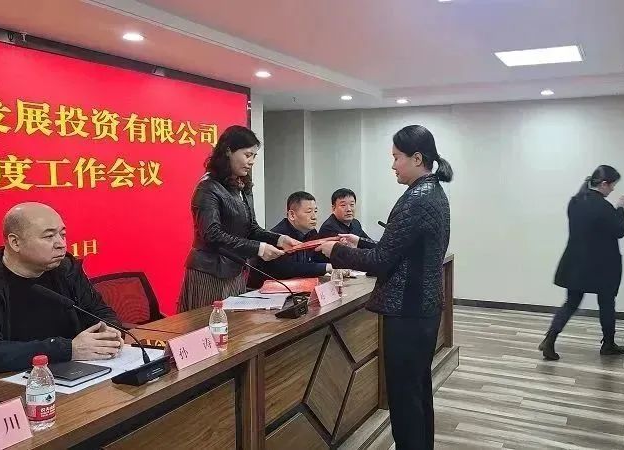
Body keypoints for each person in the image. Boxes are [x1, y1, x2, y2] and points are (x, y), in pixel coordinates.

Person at [317, 125, 452, 450]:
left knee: (405, 400)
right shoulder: (433, 192)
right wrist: (359, 241)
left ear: (417, 158)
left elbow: (381, 261)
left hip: (407, 312)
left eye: (396, 157)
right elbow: (399, 250)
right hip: (423, 308)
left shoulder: (415, 199)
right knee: (417, 393)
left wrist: (335, 251)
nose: (393, 165)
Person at [0, 203, 123, 379]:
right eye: (49, 236)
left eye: (62, 234)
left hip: (74, 374)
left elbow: (100, 312)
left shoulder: (66, 269)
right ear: (15, 242)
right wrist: (68, 349)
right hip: (5, 383)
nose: (61, 244)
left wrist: (109, 333)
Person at [178, 125, 300, 312]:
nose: (251, 162)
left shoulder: (242, 185)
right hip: (210, 272)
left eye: (254, 156)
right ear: (228, 151)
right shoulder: (208, 187)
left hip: (236, 270)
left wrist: (279, 239)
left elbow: (251, 228)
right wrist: (259, 249)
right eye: (247, 155)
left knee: (236, 325)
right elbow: (212, 235)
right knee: (210, 325)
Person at [539, 165, 624, 361]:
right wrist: (620, 208)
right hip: (603, 265)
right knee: (606, 303)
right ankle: (608, 344)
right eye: (612, 185)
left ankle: (549, 339)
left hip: (576, 263)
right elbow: (620, 230)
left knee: (571, 302)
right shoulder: (604, 207)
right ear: (604, 184)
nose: (613, 189)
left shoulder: (575, 202)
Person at [247, 191, 332, 288]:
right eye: (308, 212)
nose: (314, 217)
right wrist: (325, 267)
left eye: (315, 211)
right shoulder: (278, 236)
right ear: (292, 215)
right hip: (268, 289)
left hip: (298, 285)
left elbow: (317, 257)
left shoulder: (311, 232)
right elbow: (287, 269)